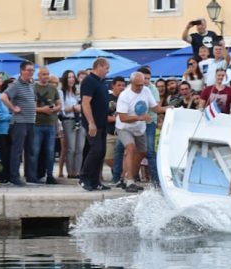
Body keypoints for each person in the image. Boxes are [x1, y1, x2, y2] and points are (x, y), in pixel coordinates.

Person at [115, 71, 165, 192]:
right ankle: (130, 181)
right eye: (137, 85)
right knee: (131, 148)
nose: (140, 87)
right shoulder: (124, 95)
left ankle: (127, 177)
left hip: (139, 128)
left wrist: (168, 109)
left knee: (143, 152)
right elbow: (123, 117)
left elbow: (155, 108)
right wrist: (139, 117)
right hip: (124, 127)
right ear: (131, 83)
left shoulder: (146, 91)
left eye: (142, 84)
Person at [2, 61, 37, 186]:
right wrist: (13, 108)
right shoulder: (16, 84)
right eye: (28, 70)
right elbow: (4, 96)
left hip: (30, 121)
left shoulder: (31, 85)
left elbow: (33, 101)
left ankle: (31, 176)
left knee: (30, 150)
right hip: (19, 122)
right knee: (17, 150)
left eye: (32, 70)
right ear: (22, 70)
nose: (31, 72)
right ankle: (14, 177)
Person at [79, 57, 111, 191]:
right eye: (106, 68)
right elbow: (85, 103)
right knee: (95, 150)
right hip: (93, 124)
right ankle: (84, 178)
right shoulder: (89, 81)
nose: (108, 71)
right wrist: (91, 123)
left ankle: (95, 181)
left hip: (102, 123)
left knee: (101, 152)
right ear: (99, 66)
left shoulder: (101, 82)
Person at [33, 66, 62, 185]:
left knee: (50, 151)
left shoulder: (53, 89)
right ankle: (33, 175)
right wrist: (42, 110)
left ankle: (50, 175)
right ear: (39, 75)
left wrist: (54, 109)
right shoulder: (33, 87)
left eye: (47, 74)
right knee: (35, 151)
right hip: (37, 124)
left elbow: (59, 105)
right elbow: (31, 107)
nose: (46, 76)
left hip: (50, 123)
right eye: (44, 74)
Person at [59, 69, 84, 179]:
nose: (72, 79)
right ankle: (70, 172)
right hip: (68, 121)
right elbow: (62, 110)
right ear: (65, 79)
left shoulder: (77, 92)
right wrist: (74, 108)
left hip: (80, 120)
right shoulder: (61, 92)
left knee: (80, 148)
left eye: (73, 77)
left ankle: (77, 172)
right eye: (69, 77)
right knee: (71, 148)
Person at [0, 80, 14, 183]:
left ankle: (10, 175)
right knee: (3, 154)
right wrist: (12, 116)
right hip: (2, 130)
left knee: (11, 154)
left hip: (13, 130)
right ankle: (2, 176)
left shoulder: (15, 98)